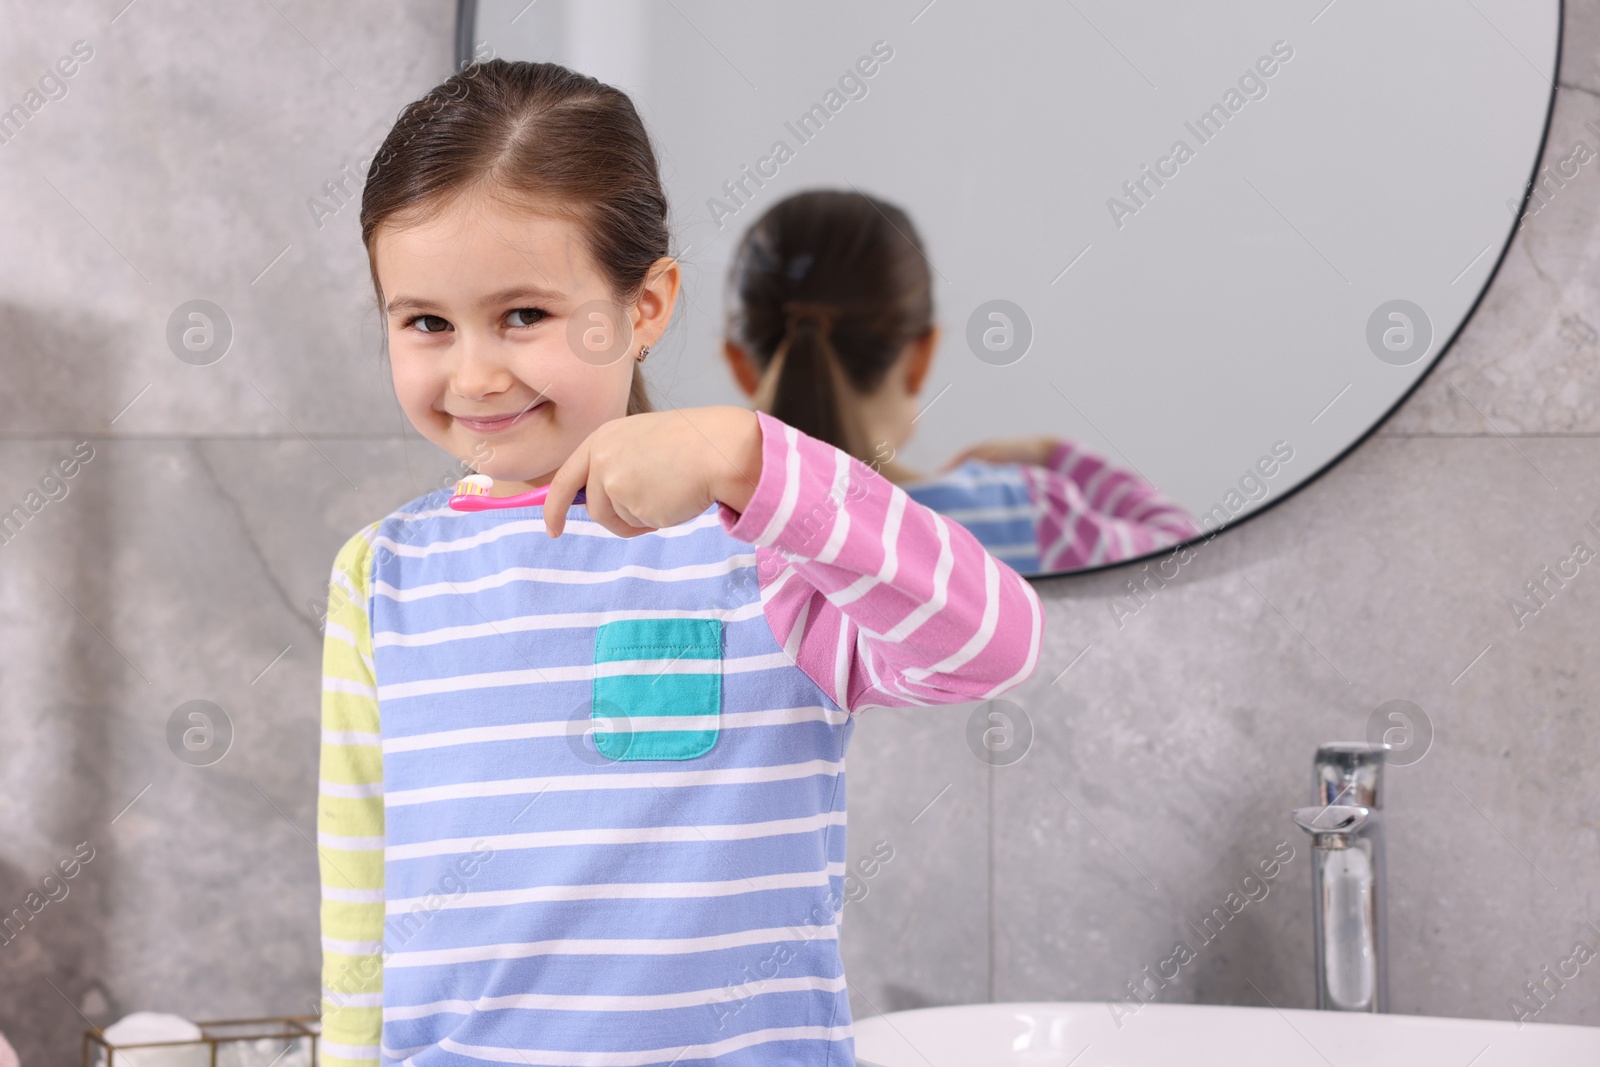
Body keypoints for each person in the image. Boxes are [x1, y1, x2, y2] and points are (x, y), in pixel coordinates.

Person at [316, 60, 1043, 1066]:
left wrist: (750, 456)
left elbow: (992, 642)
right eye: (426, 321)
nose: (474, 372)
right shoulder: (381, 575)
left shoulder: (767, 537)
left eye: (522, 314)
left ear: (646, 307)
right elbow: (360, 895)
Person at [721, 189, 1201, 574]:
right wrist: (1054, 454)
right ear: (921, 357)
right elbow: (1187, 562)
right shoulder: (1022, 514)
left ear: (741, 364)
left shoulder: (688, 537)